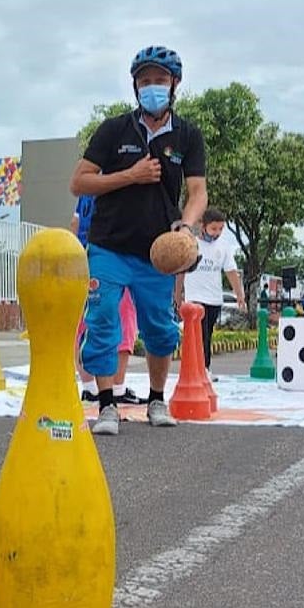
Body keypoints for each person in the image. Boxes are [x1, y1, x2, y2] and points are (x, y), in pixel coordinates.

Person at [70, 45, 208, 435]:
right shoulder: (114, 130)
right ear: (134, 87)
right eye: (144, 81)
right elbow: (79, 181)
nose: (152, 88)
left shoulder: (187, 135)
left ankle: (156, 400)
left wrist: (186, 225)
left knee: (160, 328)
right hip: (109, 246)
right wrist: (128, 175)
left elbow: (198, 192)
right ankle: (107, 405)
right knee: (101, 322)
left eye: (159, 81)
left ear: (174, 84)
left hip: (157, 252)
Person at [72, 196, 142, 405]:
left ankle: (89, 387)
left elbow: (74, 223)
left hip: (86, 258)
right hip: (114, 258)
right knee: (123, 321)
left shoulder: (86, 191)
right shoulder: (120, 184)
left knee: (86, 322)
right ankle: (117, 388)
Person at [175, 208, 246, 378]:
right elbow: (181, 271)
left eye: (221, 229)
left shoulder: (223, 246)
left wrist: (240, 294)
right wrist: (178, 294)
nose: (217, 233)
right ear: (203, 226)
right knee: (200, 335)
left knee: (208, 334)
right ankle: (203, 369)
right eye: (214, 229)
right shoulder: (192, 244)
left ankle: (203, 367)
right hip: (195, 298)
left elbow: (231, 271)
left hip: (214, 298)